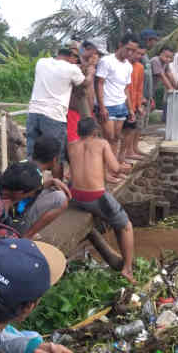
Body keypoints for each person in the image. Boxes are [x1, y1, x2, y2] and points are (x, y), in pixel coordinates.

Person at [68, 118, 135, 282]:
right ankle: (127, 268)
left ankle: (123, 261)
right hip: (96, 198)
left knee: (118, 224)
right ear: (95, 132)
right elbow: (116, 169)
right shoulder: (102, 143)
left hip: (75, 196)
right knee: (126, 226)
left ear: (78, 132)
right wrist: (126, 167)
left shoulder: (70, 146)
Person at [27, 44, 87, 179]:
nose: (76, 62)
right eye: (75, 59)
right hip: (54, 116)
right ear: (71, 57)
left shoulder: (41, 62)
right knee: (56, 157)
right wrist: (91, 71)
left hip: (34, 113)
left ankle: (30, 189)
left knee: (32, 155)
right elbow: (85, 84)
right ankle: (57, 188)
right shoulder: (71, 69)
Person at [5, 137, 72, 239]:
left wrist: (51, 182)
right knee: (61, 199)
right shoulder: (36, 177)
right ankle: (26, 236)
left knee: (52, 190)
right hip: (14, 225)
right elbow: (18, 204)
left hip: (7, 217)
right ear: (54, 160)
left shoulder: (21, 164)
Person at [95, 33, 137, 180]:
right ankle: (105, 173)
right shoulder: (107, 61)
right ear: (120, 45)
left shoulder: (128, 66)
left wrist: (130, 109)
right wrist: (101, 107)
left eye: (133, 50)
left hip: (121, 106)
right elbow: (99, 83)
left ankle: (112, 170)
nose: (130, 53)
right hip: (107, 105)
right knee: (108, 139)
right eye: (128, 49)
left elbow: (126, 88)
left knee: (115, 139)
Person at [66, 39, 103, 146]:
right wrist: (90, 68)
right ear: (88, 49)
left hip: (88, 110)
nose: (97, 57)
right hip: (75, 110)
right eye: (96, 53)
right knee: (75, 142)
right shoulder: (73, 63)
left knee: (89, 141)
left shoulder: (92, 66)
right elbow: (84, 83)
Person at [119, 45, 147, 162]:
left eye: (141, 54)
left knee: (133, 128)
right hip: (122, 102)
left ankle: (130, 150)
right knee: (121, 132)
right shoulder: (124, 65)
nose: (139, 56)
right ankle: (123, 154)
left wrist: (139, 104)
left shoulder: (140, 67)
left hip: (135, 102)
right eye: (137, 53)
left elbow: (139, 87)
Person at [150, 46, 175, 122]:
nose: (168, 59)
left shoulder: (165, 63)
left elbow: (169, 74)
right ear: (161, 53)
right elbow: (162, 76)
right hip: (145, 88)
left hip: (152, 88)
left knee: (150, 108)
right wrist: (171, 89)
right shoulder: (155, 60)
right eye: (166, 57)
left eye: (170, 58)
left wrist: (177, 87)